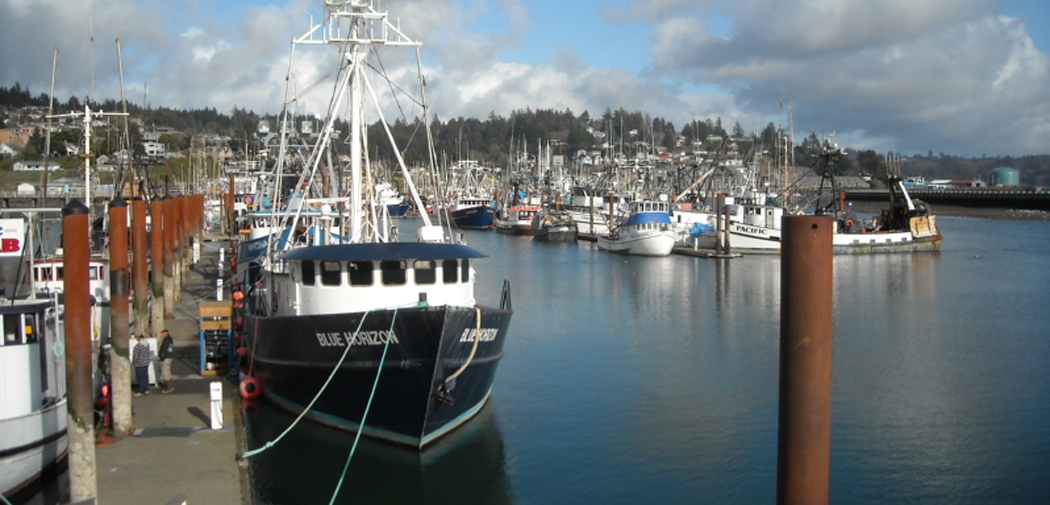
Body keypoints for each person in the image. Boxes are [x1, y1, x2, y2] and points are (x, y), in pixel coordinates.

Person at [158, 329, 175, 394]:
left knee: (165, 373)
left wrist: (161, 357)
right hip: (169, 357)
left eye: (162, 334)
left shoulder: (166, 341)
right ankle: (170, 386)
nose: (161, 335)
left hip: (165, 358)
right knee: (168, 372)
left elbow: (164, 350)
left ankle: (169, 388)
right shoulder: (170, 340)